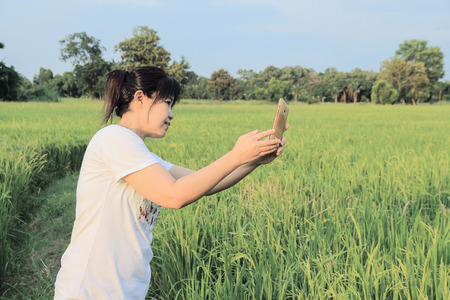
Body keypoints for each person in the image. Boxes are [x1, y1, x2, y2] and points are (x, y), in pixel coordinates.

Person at [54, 66, 288, 299]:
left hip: (124, 289)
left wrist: (254, 161)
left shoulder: (142, 154)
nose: (171, 114)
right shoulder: (114, 138)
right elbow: (174, 196)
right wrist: (236, 155)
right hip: (91, 289)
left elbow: (207, 184)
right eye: (167, 102)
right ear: (140, 98)